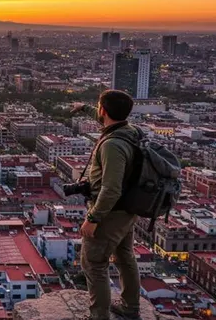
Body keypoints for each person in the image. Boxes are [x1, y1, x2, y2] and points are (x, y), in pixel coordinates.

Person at [72, 90, 141, 320]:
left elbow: (111, 189)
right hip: (128, 209)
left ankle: (98, 316)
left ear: (104, 110)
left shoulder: (112, 145)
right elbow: (105, 118)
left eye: (98, 106)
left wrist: (93, 218)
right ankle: (131, 308)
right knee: (124, 256)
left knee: (93, 262)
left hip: (111, 211)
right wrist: (83, 108)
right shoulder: (129, 131)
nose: (98, 110)